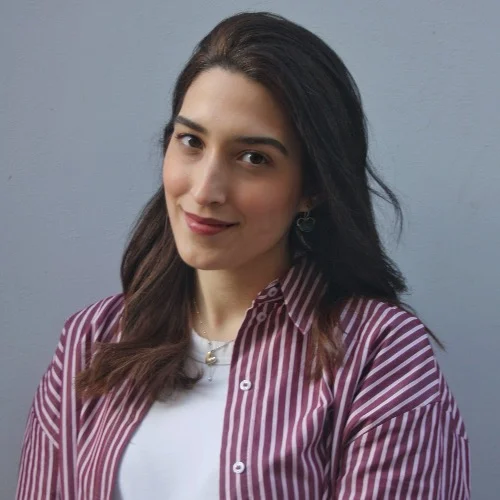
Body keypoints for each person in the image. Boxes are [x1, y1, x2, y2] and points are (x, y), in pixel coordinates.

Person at [16, 11, 470, 500]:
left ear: (312, 188)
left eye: (254, 158)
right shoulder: (91, 340)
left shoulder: (378, 353)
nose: (205, 190)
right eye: (191, 141)